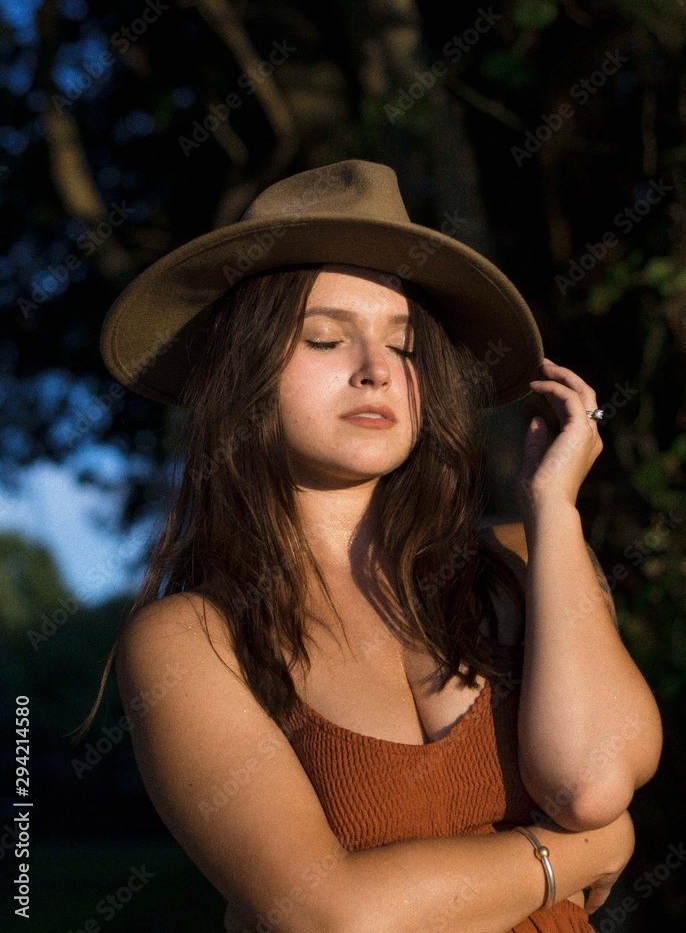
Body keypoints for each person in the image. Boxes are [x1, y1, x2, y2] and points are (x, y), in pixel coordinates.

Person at [83, 159, 662, 933]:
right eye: (324, 340)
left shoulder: (527, 559)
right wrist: (573, 857)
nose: (377, 372)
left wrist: (555, 511)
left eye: (408, 346)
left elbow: (592, 788)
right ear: (244, 374)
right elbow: (333, 916)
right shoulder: (189, 639)